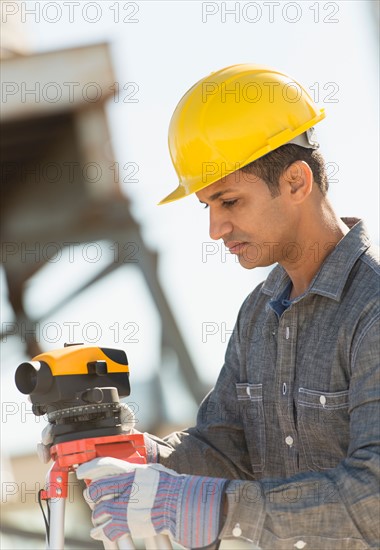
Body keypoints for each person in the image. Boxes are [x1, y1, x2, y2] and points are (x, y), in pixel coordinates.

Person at [76, 65, 380, 549]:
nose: (215, 229)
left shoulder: (372, 309)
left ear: (297, 182)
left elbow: (373, 498)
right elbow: (224, 449)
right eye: (207, 207)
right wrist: (131, 454)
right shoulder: (258, 315)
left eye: (230, 201)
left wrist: (217, 510)